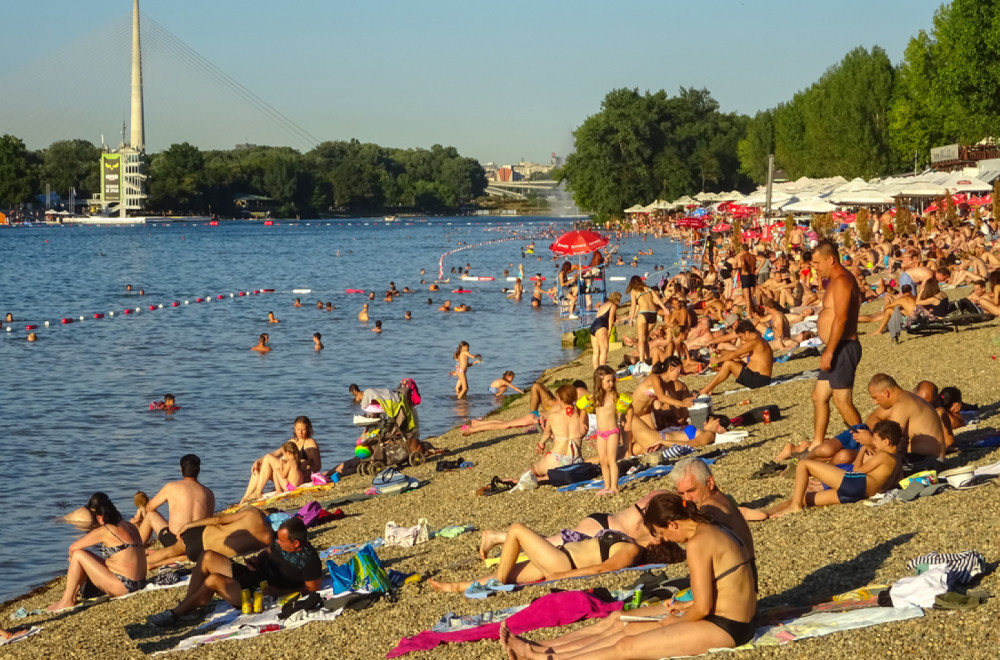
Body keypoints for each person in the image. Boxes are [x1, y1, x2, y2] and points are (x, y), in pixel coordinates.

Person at [500, 492, 757, 658]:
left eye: (663, 534)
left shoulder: (699, 543)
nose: (666, 540)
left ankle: (546, 658)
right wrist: (682, 606)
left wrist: (672, 620)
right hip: (721, 614)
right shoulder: (715, 528)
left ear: (673, 524)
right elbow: (720, 588)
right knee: (622, 620)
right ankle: (543, 649)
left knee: (626, 646)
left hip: (727, 626)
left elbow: (703, 607)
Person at [147, 517, 322, 627]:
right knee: (207, 556)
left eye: (283, 541)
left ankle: (175, 614)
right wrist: (256, 559)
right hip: (250, 575)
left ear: (296, 543)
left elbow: (312, 588)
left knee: (213, 580)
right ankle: (188, 607)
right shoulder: (279, 544)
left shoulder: (310, 561)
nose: (278, 542)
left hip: (257, 595)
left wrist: (281, 591)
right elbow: (267, 552)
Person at [430, 518, 676, 594]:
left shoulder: (631, 550)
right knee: (508, 571)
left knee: (516, 530)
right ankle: (455, 586)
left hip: (562, 563)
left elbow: (604, 569)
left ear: (656, 540)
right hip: (558, 557)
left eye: (658, 530)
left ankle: (498, 583)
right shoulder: (632, 542)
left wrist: (564, 575)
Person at [764, 420, 903, 518]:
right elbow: (895, 482)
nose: (874, 444)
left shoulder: (884, 456)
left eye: (875, 440)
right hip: (859, 494)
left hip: (857, 484)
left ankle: (795, 506)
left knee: (803, 464)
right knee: (804, 498)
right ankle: (766, 513)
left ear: (886, 441)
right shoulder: (897, 460)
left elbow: (856, 471)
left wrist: (862, 449)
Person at [48, 494, 147, 610]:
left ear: (100, 517)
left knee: (78, 554)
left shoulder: (106, 530)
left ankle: (67, 600)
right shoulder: (131, 526)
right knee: (85, 557)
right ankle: (72, 597)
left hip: (125, 587)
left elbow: (72, 548)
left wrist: (72, 561)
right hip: (141, 582)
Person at [810, 240, 863, 447]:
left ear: (830, 259)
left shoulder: (842, 281)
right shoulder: (835, 280)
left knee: (842, 401)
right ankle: (817, 442)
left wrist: (830, 351)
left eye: (817, 263)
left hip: (843, 346)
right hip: (835, 346)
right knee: (819, 396)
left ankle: (865, 444)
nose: (815, 267)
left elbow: (841, 318)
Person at [131, 454, 215, 568]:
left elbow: (150, 507)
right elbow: (208, 520)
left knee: (150, 515)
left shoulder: (171, 487)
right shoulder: (209, 493)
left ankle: (135, 550)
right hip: (199, 543)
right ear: (198, 470)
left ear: (181, 469)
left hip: (176, 541)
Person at [856, 373, 946, 474]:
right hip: (923, 458)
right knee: (866, 457)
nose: (875, 402)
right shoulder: (903, 398)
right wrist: (878, 434)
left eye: (875, 397)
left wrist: (871, 440)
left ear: (885, 392)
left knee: (871, 460)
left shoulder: (902, 405)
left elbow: (889, 443)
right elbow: (872, 418)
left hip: (930, 461)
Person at [239, 416, 321, 504]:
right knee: (257, 469)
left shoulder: (310, 442)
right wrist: (258, 461)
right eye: (298, 429)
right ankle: (244, 499)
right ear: (294, 428)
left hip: (297, 477)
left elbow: (317, 465)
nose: (300, 432)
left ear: (308, 429)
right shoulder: (292, 441)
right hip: (286, 474)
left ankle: (258, 492)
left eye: (303, 429)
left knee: (268, 458)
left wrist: (306, 472)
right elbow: (276, 453)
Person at [699, 320, 773, 395]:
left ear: (747, 333)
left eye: (741, 336)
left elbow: (735, 354)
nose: (742, 339)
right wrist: (720, 351)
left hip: (759, 380)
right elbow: (738, 354)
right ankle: (710, 389)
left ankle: (705, 390)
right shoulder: (759, 340)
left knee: (728, 364)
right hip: (761, 378)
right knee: (734, 361)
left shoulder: (753, 342)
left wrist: (718, 360)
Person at [592, 365, 622, 495]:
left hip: (612, 432)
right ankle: (607, 486)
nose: (611, 384)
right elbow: (582, 408)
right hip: (600, 433)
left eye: (612, 380)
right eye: (608, 381)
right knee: (603, 461)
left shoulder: (614, 396)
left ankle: (614, 486)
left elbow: (623, 411)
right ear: (599, 381)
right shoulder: (595, 397)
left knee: (611, 460)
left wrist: (625, 425)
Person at [626, 276, 667, 364]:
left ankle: (641, 361)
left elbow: (633, 306)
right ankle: (648, 358)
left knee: (641, 339)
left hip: (644, 313)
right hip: (653, 314)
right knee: (645, 338)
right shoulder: (648, 288)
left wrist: (631, 319)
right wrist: (665, 309)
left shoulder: (634, 291)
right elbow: (658, 300)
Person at [589, 292, 621, 368]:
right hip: (601, 326)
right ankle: (602, 369)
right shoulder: (613, 305)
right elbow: (611, 319)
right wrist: (609, 331)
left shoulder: (604, 305)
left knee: (596, 352)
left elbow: (613, 318)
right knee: (604, 350)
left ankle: (596, 370)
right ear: (617, 299)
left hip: (594, 325)